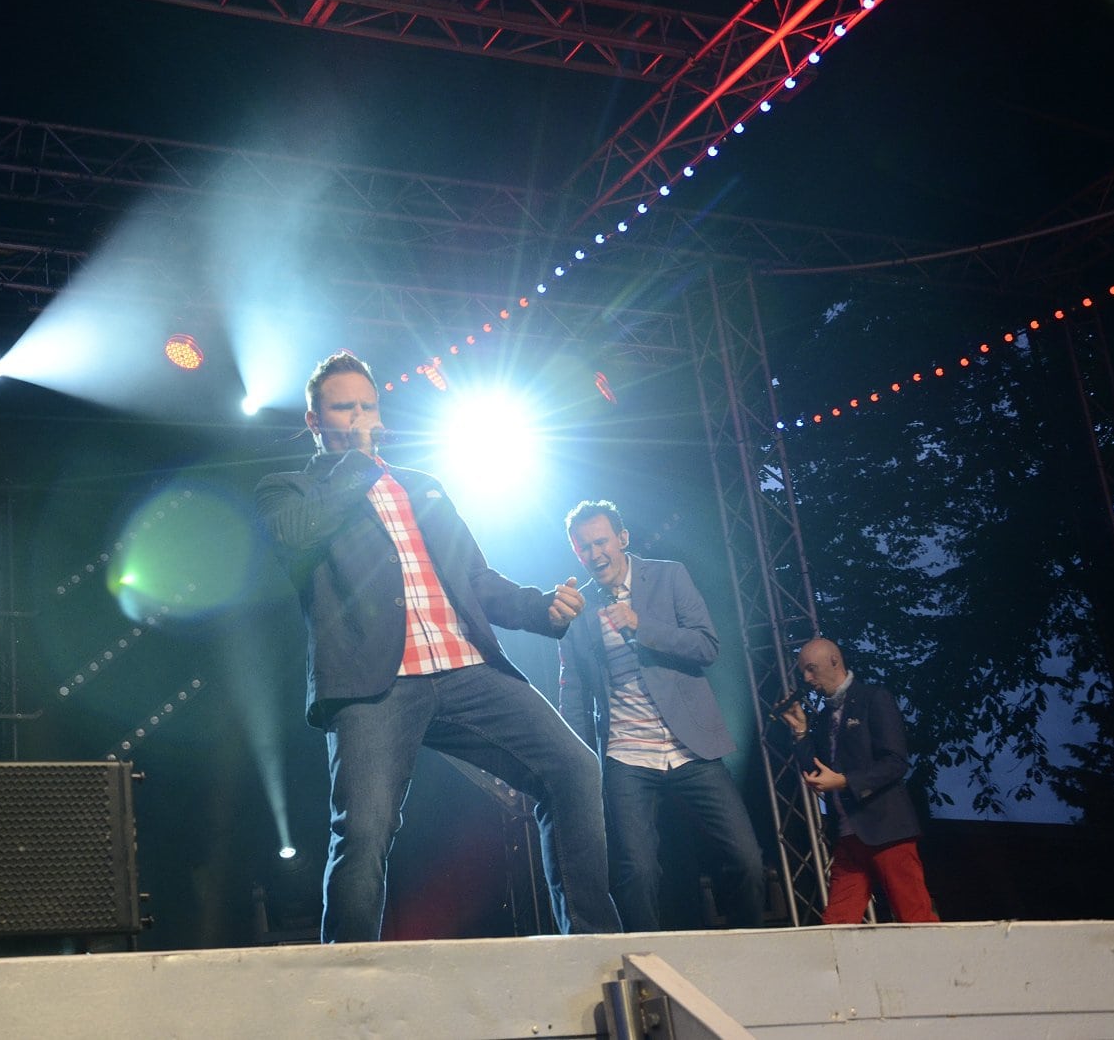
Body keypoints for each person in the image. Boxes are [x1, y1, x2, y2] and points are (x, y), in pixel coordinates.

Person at [255, 352, 621, 942]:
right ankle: (347, 977)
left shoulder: (423, 486)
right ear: (314, 420)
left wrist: (539, 609)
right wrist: (358, 463)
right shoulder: (290, 490)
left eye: (369, 406)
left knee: (574, 769)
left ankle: (593, 944)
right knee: (364, 831)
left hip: (466, 669)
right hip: (375, 685)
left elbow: (474, 579)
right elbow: (295, 538)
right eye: (345, 408)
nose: (360, 418)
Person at [557, 500, 765, 932]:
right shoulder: (578, 611)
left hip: (691, 746)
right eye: (584, 547)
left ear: (622, 539)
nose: (595, 554)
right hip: (626, 754)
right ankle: (646, 962)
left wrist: (640, 625)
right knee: (638, 872)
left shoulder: (669, 576)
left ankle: (746, 947)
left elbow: (706, 646)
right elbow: (574, 694)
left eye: (601, 542)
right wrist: (578, 764)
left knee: (746, 859)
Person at [780, 637, 939, 923]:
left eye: (811, 669)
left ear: (834, 661)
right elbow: (817, 772)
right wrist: (801, 732)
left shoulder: (873, 698)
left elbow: (895, 762)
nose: (806, 678)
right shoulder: (825, 717)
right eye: (803, 671)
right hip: (848, 835)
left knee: (914, 915)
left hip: (886, 829)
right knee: (836, 924)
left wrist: (844, 781)